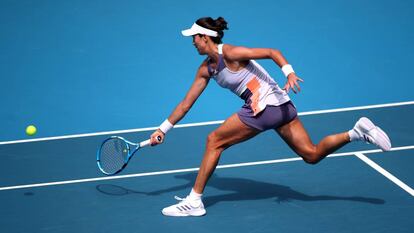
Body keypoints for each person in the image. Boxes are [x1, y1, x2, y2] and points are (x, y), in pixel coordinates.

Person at [149, 17, 391, 217]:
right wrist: (163, 129)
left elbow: (271, 52)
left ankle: (194, 201)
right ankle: (357, 132)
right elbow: (185, 104)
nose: (192, 42)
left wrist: (290, 73)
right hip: (282, 106)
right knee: (311, 154)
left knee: (214, 141)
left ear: (205, 37)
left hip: (265, 106)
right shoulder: (206, 69)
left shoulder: (231, 52)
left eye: (194, 37)